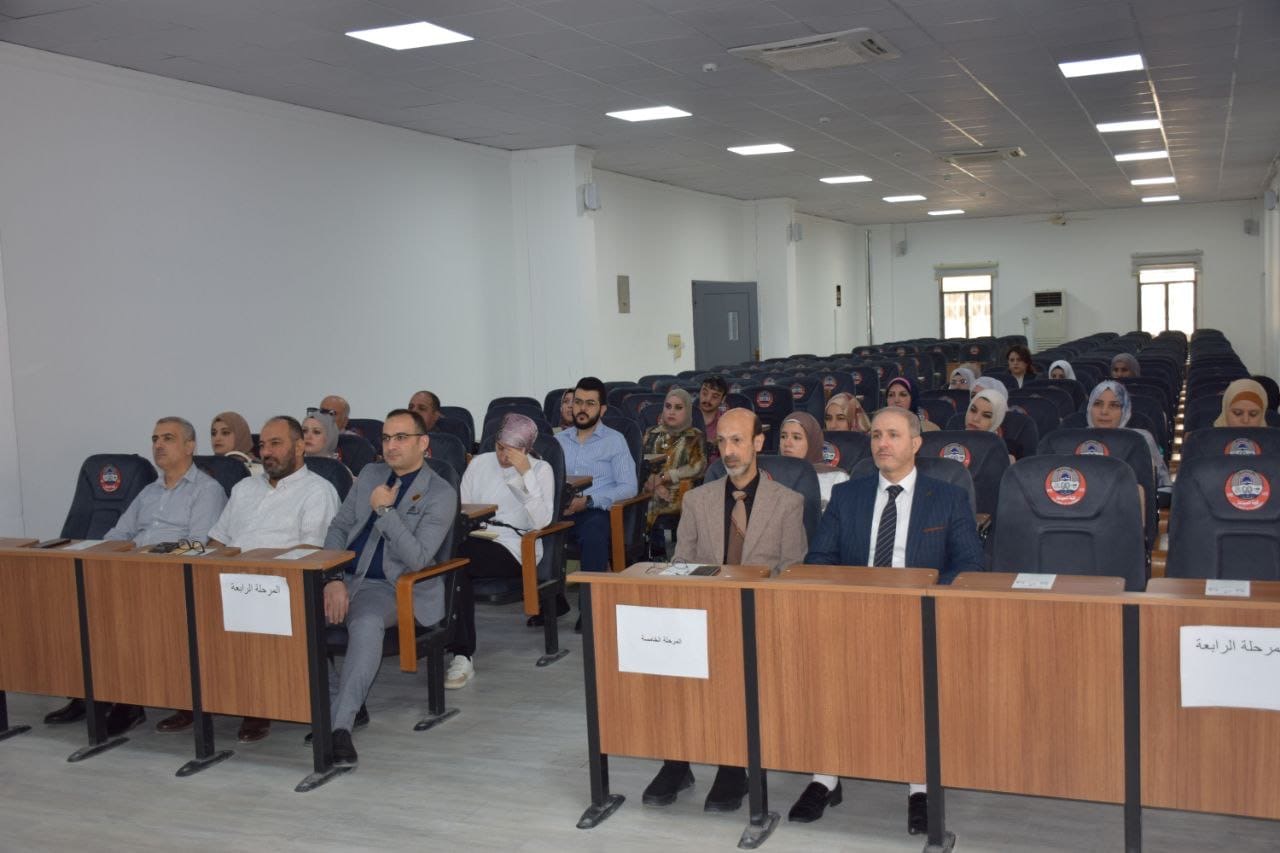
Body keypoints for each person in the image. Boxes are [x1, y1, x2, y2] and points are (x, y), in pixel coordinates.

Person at [796, 406, 984, 833]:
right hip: (852, 614)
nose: (882, 443)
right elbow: (819, 558)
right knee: (824, 673)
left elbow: (970, 566)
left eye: (893, 435)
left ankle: (920, 787)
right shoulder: (848, 496)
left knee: (918, 683)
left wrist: (925, 600)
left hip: (919, 615)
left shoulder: (948, 497)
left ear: (916, 443)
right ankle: (825, 778)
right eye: (876, 435)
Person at [641, 408, 806, 813]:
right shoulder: (697, 500)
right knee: (666, 656)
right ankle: (677, 760)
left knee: (734, 660)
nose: (729, 451)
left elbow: (792, 572)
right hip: (704, 613)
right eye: (723, 442)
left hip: (758, 616)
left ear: (758, 443)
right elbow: (682, 564)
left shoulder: (788, 503)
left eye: (738, 441)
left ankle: (733, 765)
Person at [44, 417, 227, 734]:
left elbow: (198, 545)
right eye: (155, 439)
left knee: (120, 616)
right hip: (130, 572)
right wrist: (99, 554)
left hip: (171, 578)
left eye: (168, 438)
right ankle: (89, 694)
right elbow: (118, 534)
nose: (158, 445)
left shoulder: (207, 490)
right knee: (77, 605)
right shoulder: (148, 492)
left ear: (190, 446)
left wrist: (149, 557)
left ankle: (128, 703)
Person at [180, 415, 341, 742]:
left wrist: (255, 571)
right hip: (230, 579)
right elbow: (218, 541)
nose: (266, 452)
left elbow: (311, 552)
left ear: (299, 447)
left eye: (276, 444)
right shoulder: (244, 488)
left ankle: (257, 703)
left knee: (246, 608)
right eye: (263, 445)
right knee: (181, 606)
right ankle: (191, 698)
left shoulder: (318, 491)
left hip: (281, 584)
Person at [321, 408, 456, 768]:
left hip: (395, 588)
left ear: (423, 443)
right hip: (346, 578)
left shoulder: (440, 493)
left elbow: (418, 558)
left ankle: (339, 727)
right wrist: (332, 577)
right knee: (292, 617)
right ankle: (342, 703)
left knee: (365, 623)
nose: (391, 446)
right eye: (385, 438)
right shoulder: (370, 474)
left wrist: (384, 512)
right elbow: (339, 527)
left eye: (401, 438)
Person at [448, 414, 556, 689]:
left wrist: (525, 474)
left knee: (456, 561)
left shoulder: (541, 470)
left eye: (512, 450)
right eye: (499, 447)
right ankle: (448, 643)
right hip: (476, 536)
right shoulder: (480, 463)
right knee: (450, 560)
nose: (503, 455)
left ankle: (461, 653)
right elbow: (463, 507)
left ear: (526, 449)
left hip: (515, 545)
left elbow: (541, 522)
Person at [556, 377, 638, 614]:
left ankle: (590, 610)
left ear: (602, 409)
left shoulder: (615, 441)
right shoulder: (557, 441)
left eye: (590, 403)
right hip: (560, 510)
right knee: (534, 528)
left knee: (593, 532)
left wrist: (590, 501)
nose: (582, 408)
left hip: (596, 510)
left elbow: (629, 487)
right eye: (578, 402)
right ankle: (551, 604)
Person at [641, 388, 706, 552]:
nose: (671, 412)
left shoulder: (695, 436)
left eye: (678, 408)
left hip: (680, 493)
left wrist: (665, 477)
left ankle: (660, 553)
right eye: (668, 406)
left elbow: (697, 467)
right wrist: (653, 484)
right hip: (648, 489)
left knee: (654, 504)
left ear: (688, 411)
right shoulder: (651, 433)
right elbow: (640, 463)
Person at [1086, 381, 1172, 492]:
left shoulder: (1141, 439)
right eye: (1097, 404)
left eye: (1114, 405)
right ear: (1089, 407)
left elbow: (1164, 486)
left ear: (1125, 410)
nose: (1104, 411)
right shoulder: (1074, 439)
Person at [779, 411, 849, 510]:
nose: (787, 443)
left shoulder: (837, 478)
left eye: (796, 437)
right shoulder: (769, 474)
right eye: (783, 436)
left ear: (812, 442)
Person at [965, 388, 1017, 462]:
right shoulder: (953, 438)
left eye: (986, 415)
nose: (975, 419)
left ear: (996, 421)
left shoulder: (1006, 451)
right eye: (973, 410)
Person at [210, 411, 263, 476]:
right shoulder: (206, 468)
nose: (217, 438)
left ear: (240, 436)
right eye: (213, 433)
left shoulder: (260, 471)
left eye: (225, 433)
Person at [698, 375, 728, 461]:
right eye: (704, 393)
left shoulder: (727, 423)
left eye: (715, 396)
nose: (708, 399)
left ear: (723, 399)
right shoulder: (684, 418)